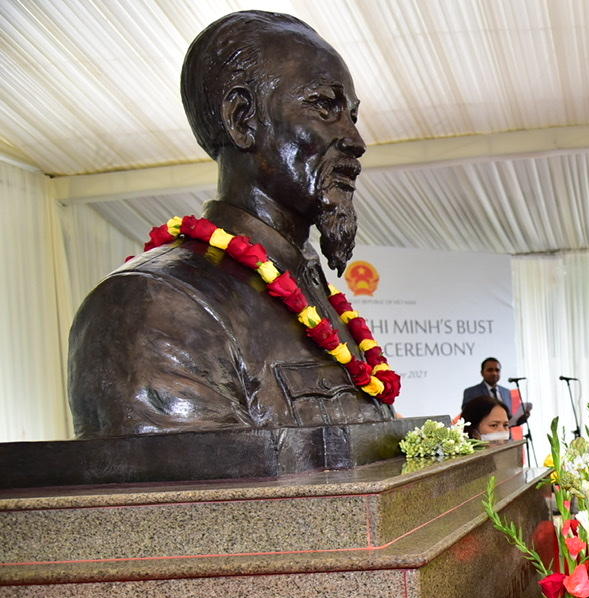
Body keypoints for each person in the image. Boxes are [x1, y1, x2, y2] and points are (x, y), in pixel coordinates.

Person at [68, 11, 399, 437]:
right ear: (243, 119)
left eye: (351, 114)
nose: (356, 140)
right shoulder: (153, 305)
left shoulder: (311, 293)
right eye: (324, 106)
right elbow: (201, 503)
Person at [460, 357, 531, 426]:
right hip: (483, 436)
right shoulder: (471, 392)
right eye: (490, 370)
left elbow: (508, 419)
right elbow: (467, 417)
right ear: (482, 373)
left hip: (506, 436)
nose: (494, 373)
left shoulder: (506, 392)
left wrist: (520, 419)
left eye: (497, 370)